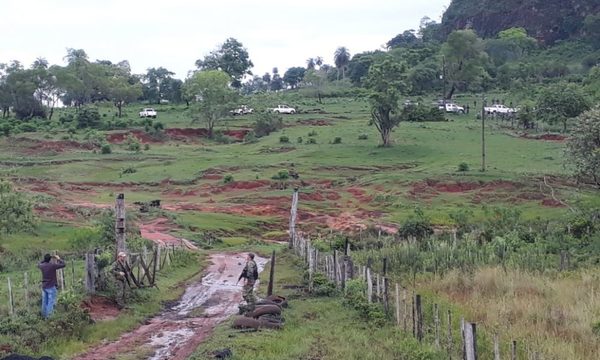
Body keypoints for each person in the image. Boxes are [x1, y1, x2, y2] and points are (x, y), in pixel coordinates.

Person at [38, 253, 66, 318]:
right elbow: (63, 264)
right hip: (51, 286)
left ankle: (44, 316)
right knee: (51, 302)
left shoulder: (42, 266)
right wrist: (58, 258)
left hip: (44, 286)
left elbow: (38, 263)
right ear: (50, 259)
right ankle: (49, 317)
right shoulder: (52, 265)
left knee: (44, 301)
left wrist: (44, 259)